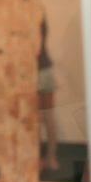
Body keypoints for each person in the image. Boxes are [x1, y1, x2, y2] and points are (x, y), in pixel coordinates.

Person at [37, 16, 59, 171]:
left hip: (35, 70)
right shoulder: (39, 13)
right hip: (45, 68)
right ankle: (50, 158)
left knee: (38, 117)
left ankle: (42, 158)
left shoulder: (26, 14)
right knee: (47, 116)